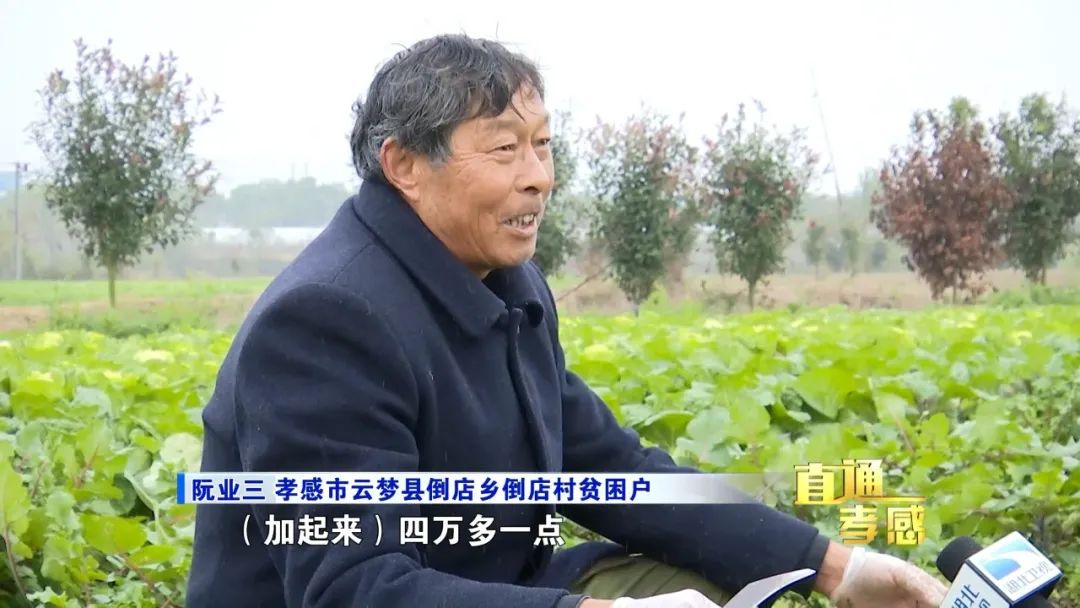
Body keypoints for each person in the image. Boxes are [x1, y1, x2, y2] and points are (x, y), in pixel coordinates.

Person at [187, 33, 948, 608]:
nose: (539, 177)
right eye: (505, 149)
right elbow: (354, 587)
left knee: (722, 585)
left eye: (543, 145)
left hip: (499, 584)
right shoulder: (326, 321)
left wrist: (833, 565)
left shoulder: (504, 281)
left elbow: (614, 471)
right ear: (405, 166)